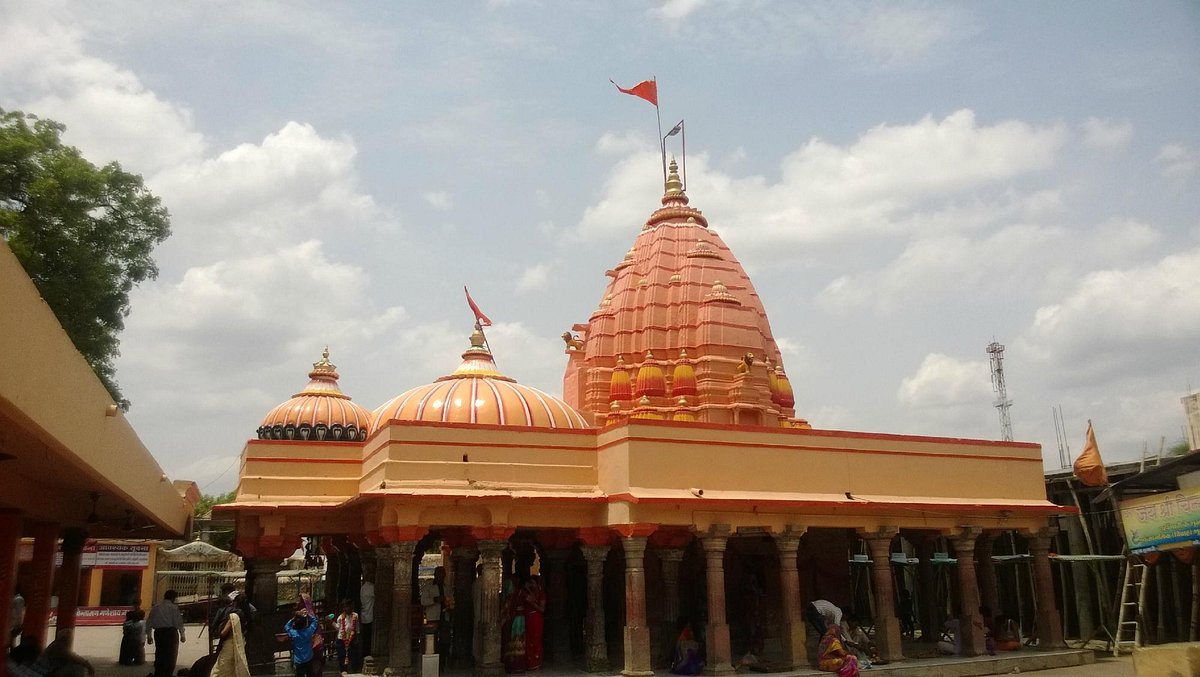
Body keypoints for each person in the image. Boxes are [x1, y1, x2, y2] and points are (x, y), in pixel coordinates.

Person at [147, 590, 186, 677]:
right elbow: (178, 623)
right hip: (171, 633)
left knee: (160, 654)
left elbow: (149, 622)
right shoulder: (173, 608)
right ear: (173, 598)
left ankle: (159, 673)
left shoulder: (156, 607)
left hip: (159, 633)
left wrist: (149, 636)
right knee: (171, 655)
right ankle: (168, 674)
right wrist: (182, 634)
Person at [211, 593, 251, 677]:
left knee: (220, 669)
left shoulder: (234, 616)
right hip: (240, 643)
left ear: (235, 603)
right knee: (234, 668)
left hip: (229, 645)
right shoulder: (246, 615)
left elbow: (223, 633)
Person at [31, 630, 95, 677]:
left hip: (45, 669)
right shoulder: (60, 647)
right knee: (77, 667)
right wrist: (89, 666)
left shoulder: (55, 644)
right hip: (48, 672)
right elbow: (74, 657)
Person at [500, 575, 526, 674]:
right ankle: (517, 665)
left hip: (511, 620)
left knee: (512, 640)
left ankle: (512, 665)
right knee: (518, 640)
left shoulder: (507, 599)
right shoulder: (516, 594)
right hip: (518, 619)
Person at [419, 566, 447, 655]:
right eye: (439, 574)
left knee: (445, 640)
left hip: (445, 617)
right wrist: (435, 600)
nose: (441, 576)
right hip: (433, 617)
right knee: (431, 641)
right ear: (435, 575)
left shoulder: (446, 588)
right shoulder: (429, 587)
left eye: (443, 574)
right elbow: (423, 601)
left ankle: (442, 660)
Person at [285, 606, 318, 677]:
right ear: (305, 623)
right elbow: (315, 621)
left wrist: (293, 618)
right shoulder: (309, 632)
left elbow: (287, 626)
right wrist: (307, 614)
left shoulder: (294, 633)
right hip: (309, 658)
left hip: (298, 661)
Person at [520, 577, 545, 671]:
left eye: (533, 583)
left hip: (536, 619)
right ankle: (529, 663)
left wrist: (533, 604)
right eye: (530, 583)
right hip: (528, 619)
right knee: (528, 640)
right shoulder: (527, 593)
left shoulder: (541, 594)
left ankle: (536, 663)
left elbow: (542, 609)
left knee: (536, 640)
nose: (531, 585)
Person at [335, 599, 362, 674]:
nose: (346, 609)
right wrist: (331, 623)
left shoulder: (355, 616)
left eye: (347, 607)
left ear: (351, 607)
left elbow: (357, 627)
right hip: (342, 639)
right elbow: (338, 627)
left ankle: (354, 670)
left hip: (352, 638)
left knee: (353, 656)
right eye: (344, 607)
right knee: (342, 656)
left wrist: (357, 637)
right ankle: (343, 671)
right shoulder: (340, 617)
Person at [359, 571, 375, 657]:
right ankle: (367, 654)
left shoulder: (363, 587)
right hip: (370, 615)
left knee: (365, 637)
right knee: (368, 637)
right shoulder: (370, 587)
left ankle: (364, 654)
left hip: (365, 615)